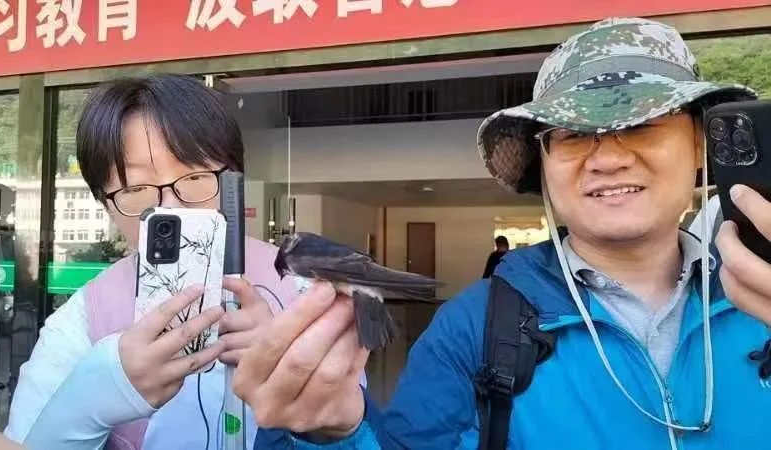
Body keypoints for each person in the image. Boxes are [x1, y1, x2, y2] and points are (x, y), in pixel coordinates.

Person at [231, 17, 771, 449]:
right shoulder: (473, 326)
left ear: (699, 145)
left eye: (642, 124)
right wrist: (329, 435)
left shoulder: (762, 293)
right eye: (572, 134)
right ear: (544, 163)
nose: (607, 159)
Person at [4, 74, 303, 449]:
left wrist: (296, 379)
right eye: (136, 188)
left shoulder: (299, 289)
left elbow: (351, 428)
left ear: (233, 180)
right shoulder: (83, 321)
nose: (170, 207)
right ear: (107, 204)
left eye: (194, 176)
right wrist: (90, 403)